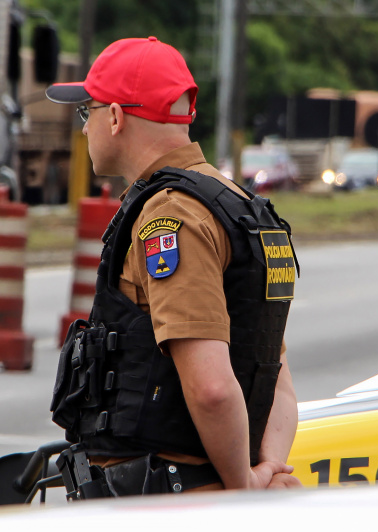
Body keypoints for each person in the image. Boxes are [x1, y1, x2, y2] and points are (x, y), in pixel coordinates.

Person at [46, 37, 301, 497]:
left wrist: (244, 485)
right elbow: (274, 374)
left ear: (117, 117)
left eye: (89, 112)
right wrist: (267, 471)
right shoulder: (242, 207)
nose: (85, 128)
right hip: (211, 492)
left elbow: (213, 389)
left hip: (168, 509)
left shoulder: (172, 217)